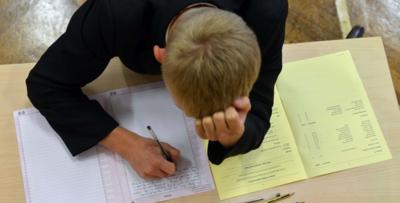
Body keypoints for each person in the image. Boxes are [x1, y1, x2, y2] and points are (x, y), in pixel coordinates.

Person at [26, 0, 288, 179]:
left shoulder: (265, 10)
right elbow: (46, 84)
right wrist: (125, 144)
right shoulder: (116, 12)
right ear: (160, 56)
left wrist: (235, 134)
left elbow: (260, 104)